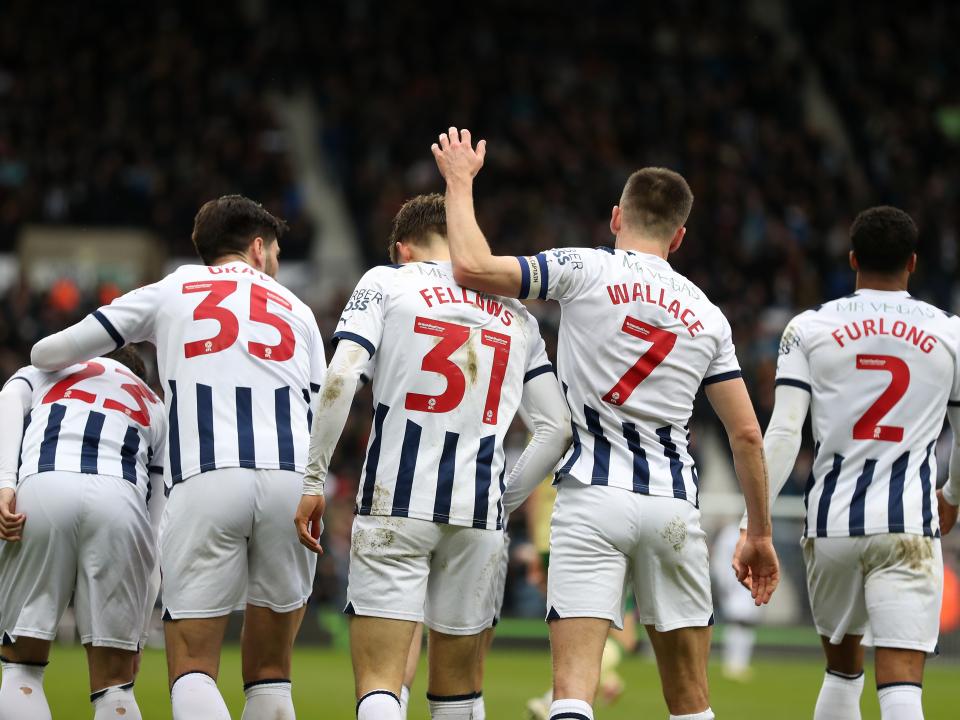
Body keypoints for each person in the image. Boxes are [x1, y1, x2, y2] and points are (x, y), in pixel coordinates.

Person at [431, 127, 780, 720]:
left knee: (573, 691)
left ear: (616, 217)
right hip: (672, 506)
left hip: (591, 497)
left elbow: (470, 267)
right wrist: (761, 535)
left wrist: (460, 183)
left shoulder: (582, 268)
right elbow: (746, 434)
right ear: (680, 236)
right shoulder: (707, 314)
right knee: (691, 701)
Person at [30, 195, 326, 720]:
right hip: (290, 483)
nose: (276, 262)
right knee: (271, 672)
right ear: (258, 249)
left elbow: (49, 352)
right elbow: (323, 407)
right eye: (276, 252)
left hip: (206, 479)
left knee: (192, 664)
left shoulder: (171, 290)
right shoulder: (298, 310)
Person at [294, 193, 571, 720]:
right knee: (458, 695)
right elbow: (556, 430)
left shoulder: (386, 282)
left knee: (379, 683)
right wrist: (502, 500)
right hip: (478, 516)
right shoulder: (519, 317)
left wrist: (314, 479)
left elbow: (340, 375)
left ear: (403, 247)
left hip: (395, 501)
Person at [735, 206, 960, 720]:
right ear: (913, 263)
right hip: (907, 523)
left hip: (832, 523)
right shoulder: (950, 333)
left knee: (842, 671)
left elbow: (785, 432)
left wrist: (754, 524)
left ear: (853, 258)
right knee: (902, 683)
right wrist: (950, 498)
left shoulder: (809, 327)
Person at [0, 347, 165, 720]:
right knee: (114, 686)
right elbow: (154, 539)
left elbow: (8, 397)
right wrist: (136, 634)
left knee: (21, 667)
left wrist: (5, 483)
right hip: (121, 499)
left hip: (43, 486)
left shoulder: (53, 367)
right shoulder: (154, 403)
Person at [710, 521, 761, 681]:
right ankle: (732, 663)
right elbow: (719, 560)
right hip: (735, 584)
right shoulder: (729, 534)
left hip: (751, 583)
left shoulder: (757, 531)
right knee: (738, 622)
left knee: (746, 624)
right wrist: (725, 583)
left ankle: (740, 663)